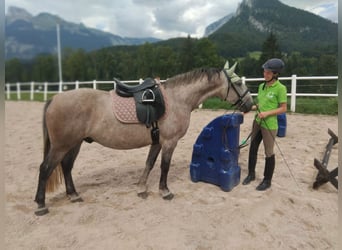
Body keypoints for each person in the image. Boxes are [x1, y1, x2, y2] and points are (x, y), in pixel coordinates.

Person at [242, 58, 287, 191]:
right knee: (253, 148)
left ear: (275, 74)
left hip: (270, 125)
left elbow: (283, 108)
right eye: (264, 71)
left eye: (267, 72)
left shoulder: (280, 88)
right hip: (257, 122)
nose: (264, 74)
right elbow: (260, 105)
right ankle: (251, 174)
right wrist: (250, 109)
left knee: (269, 152)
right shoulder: (262, 86)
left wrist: (267, 114)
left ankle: (267, 180)